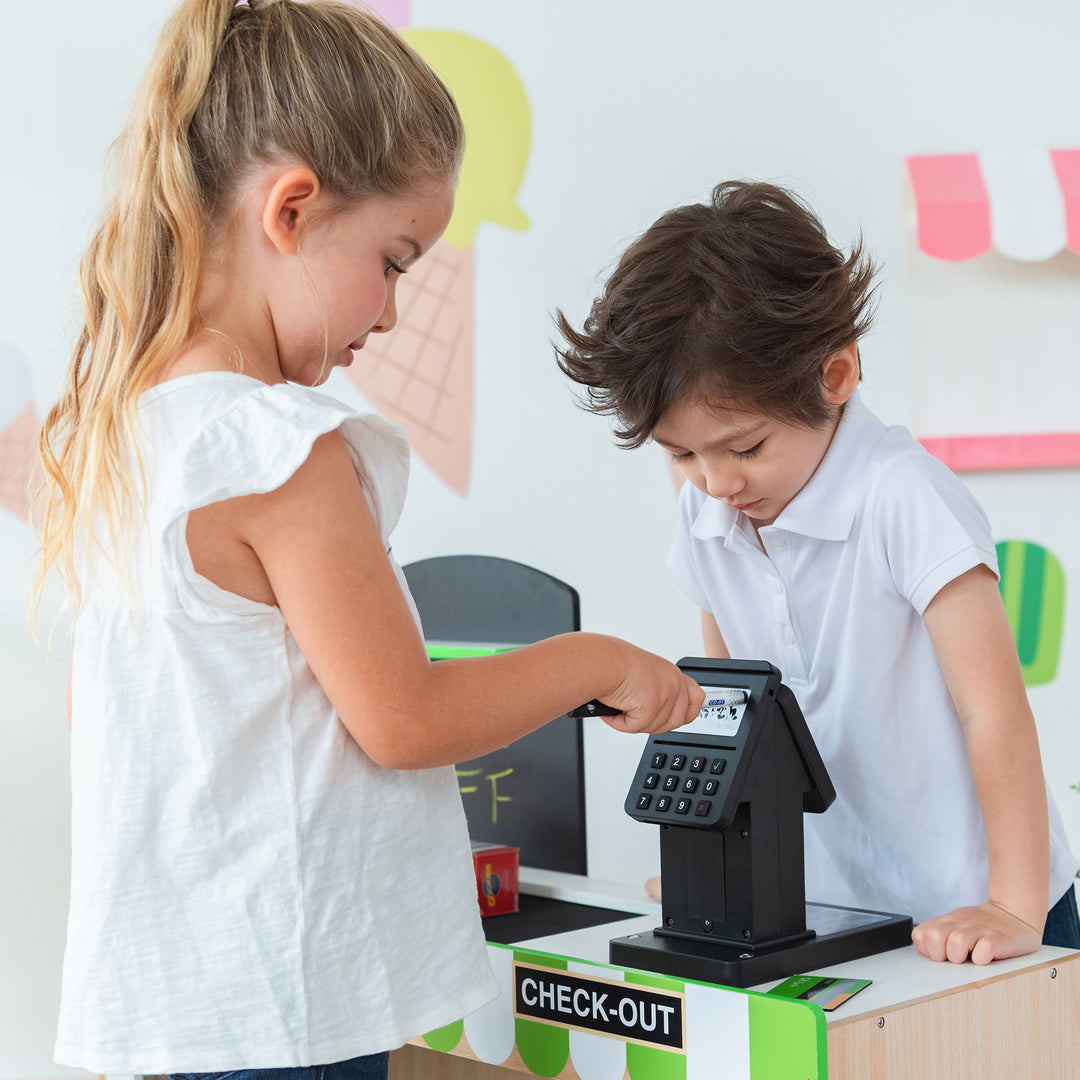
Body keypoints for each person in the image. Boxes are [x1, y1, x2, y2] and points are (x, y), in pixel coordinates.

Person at [31, 2, 705, 1076]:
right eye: (395, 260)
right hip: (283, 995)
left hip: (197, 999)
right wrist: (599, 660)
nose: (392, 314)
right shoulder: (275, 449)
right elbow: (403, 718)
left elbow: (107, 709)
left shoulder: (131, 433)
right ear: (291, 210)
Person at [555, 179, 1080, 964]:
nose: (716, 481)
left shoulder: (903, 496)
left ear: (834, 378)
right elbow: (730, 714)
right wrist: (721, 874)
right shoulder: (708, 514)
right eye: (682, 454)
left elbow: (994, 712)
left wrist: (1013, 904)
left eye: (743, 448)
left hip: (983, 903)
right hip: (835, 908)